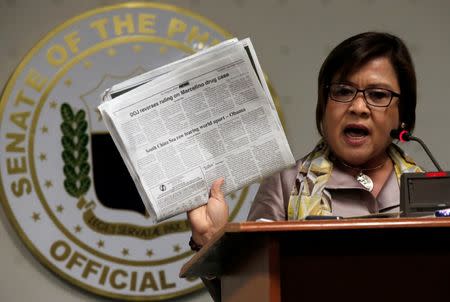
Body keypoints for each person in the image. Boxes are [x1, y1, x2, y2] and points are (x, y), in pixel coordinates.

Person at [187, 31, 424, 251]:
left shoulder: (431, 191)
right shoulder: (284, 184)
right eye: (343, 91)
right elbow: (251, 287)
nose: (358, 107)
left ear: (403, 114)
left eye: (378, 95)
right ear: (323, 105)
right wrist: (211, 239)